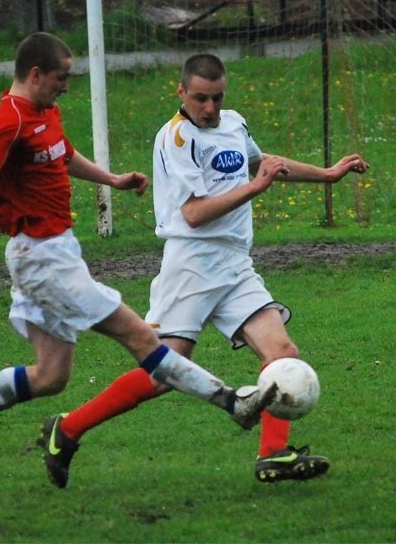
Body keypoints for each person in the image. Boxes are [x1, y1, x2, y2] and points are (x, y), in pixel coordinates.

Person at [0, 33, 278, 473]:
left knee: (50, 376)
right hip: (42, 258)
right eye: (61, 78)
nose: (66, 86)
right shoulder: (8, 122)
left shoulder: (45, 111)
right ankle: (232, 401)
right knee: (141, 336)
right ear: (35, 74)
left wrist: (112, 179)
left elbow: (63, 157)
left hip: (53, 252)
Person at [39, 53, 370, 487]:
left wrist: (325, 175)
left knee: (283, 354)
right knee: (165, 373)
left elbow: (257, 162)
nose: (210, 108)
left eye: (217, 97)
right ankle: (67, 429)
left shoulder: (233, 122)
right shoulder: (174, 139)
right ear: (181, 92)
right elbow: (194, 214)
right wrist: (255, 189)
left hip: (235, 266)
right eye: (200, 98)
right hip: (191, 266)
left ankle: (274, 454)